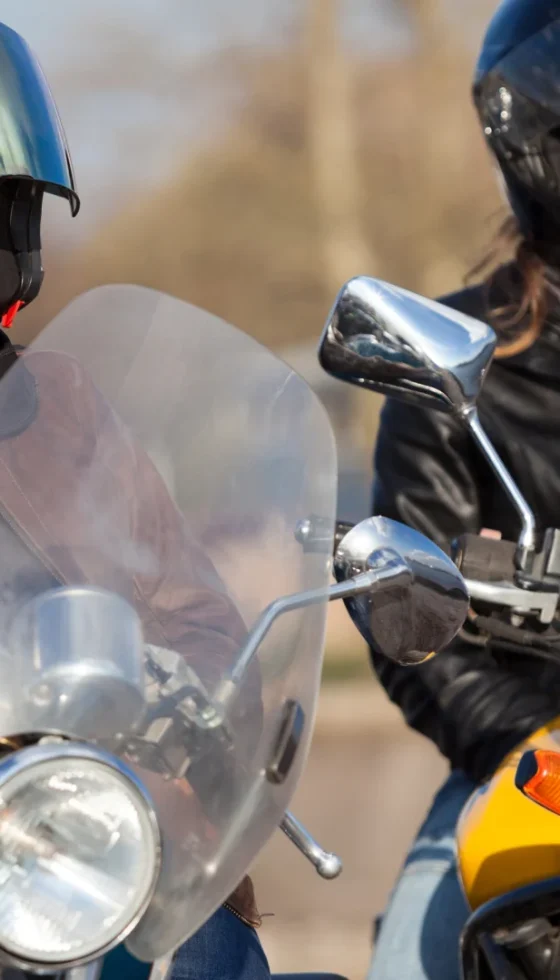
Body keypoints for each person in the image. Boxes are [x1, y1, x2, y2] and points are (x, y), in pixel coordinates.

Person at [0, 21, 271, 980]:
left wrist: (188, 700)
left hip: (67, 831)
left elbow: (193, 614)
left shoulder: (60, 407)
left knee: (216, 948)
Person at [368, 2, 560, 978]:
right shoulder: (451, 361)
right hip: (529, 771)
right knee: (416, 955)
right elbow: (411, 618)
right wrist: (527, 743)